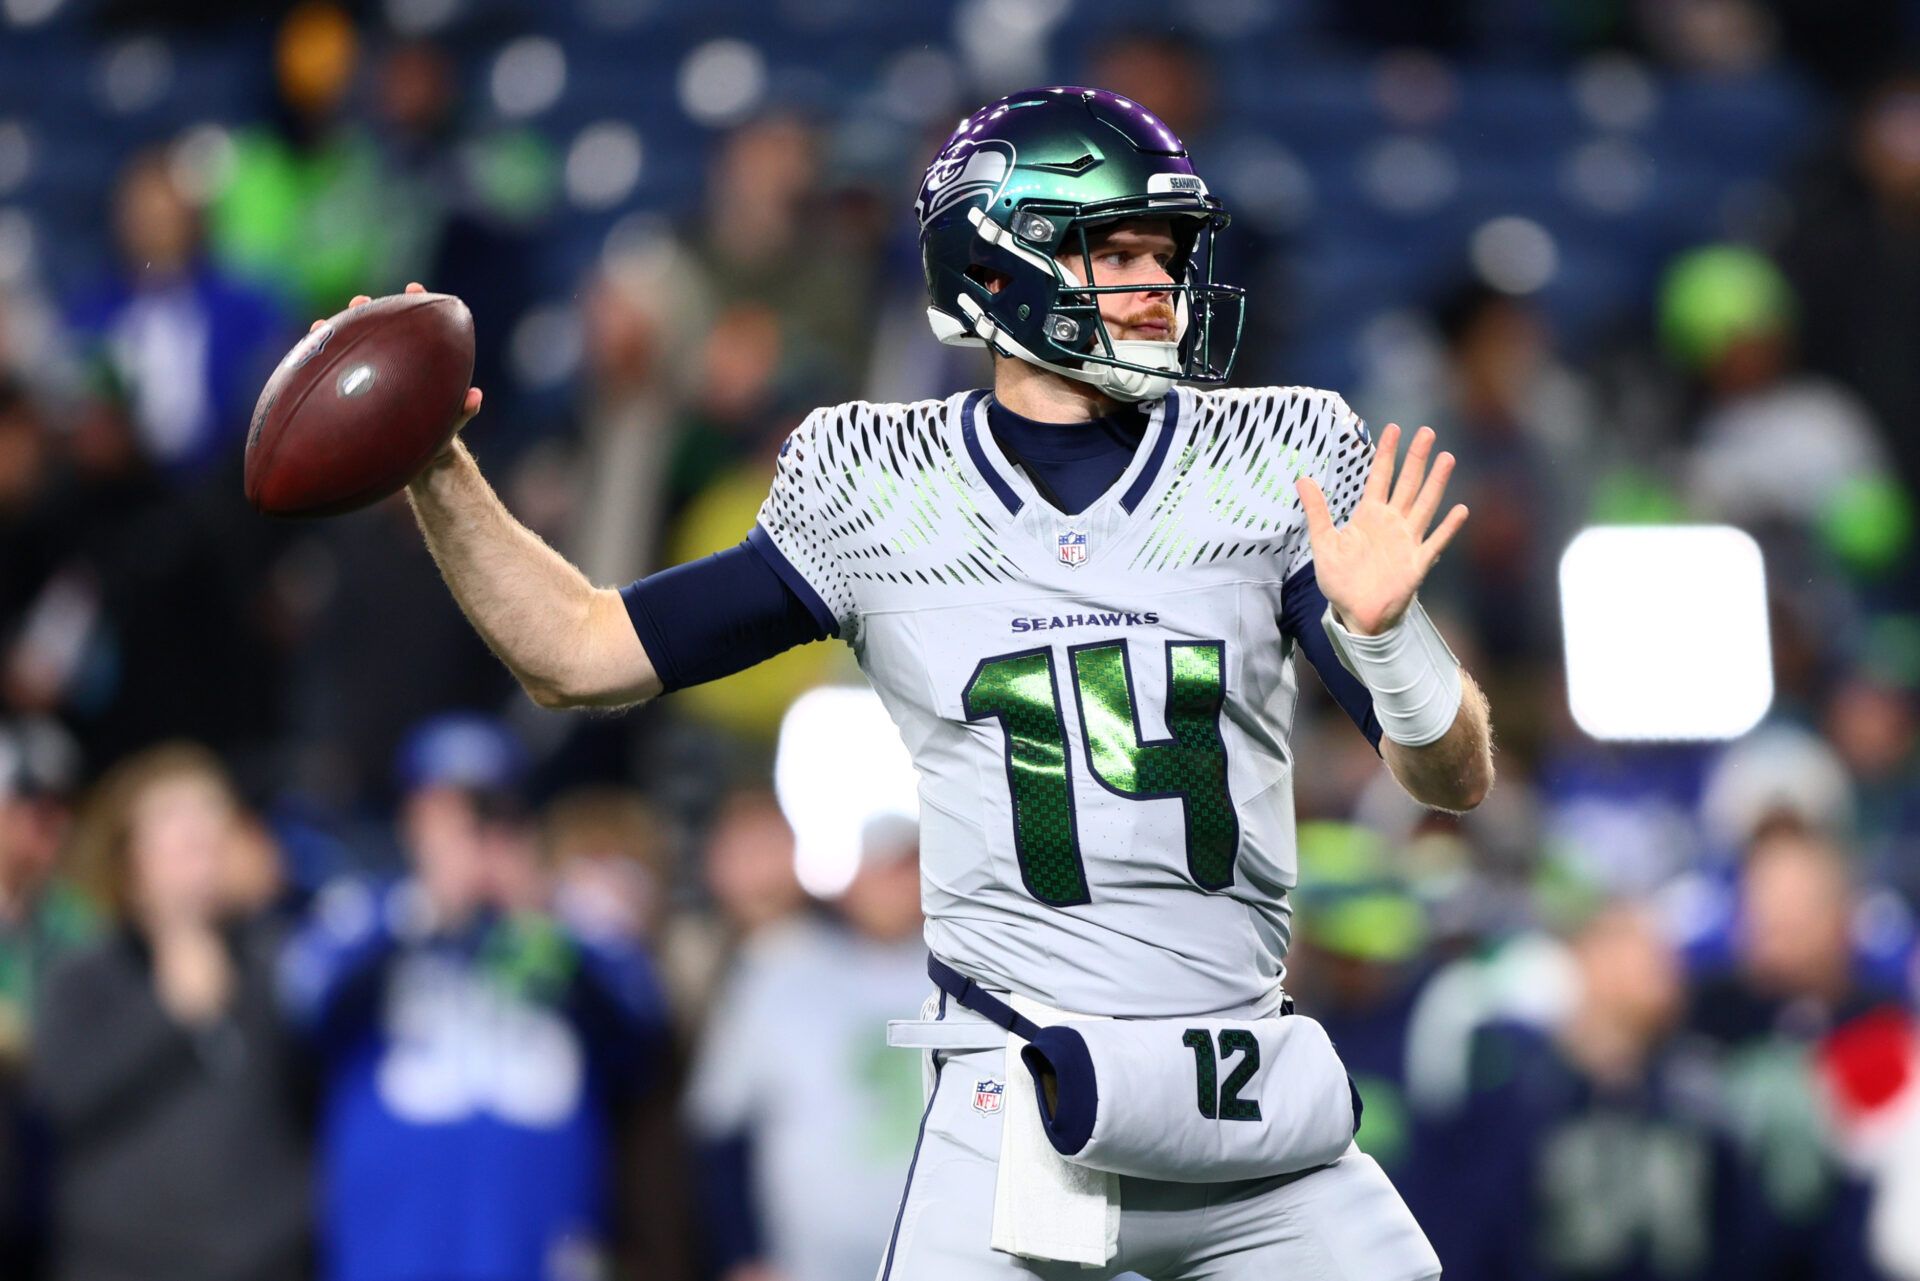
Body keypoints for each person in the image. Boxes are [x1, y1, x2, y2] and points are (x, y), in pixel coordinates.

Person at [335, 87, 1494, 1279]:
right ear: (1001, 263)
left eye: (1168, 252)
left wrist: (1392, 636)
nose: (1160, 283)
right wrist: (437, 467)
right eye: (1119, 249)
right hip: (1024, 1110)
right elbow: (578, 651)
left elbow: (1450, 778)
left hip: (1249, 1106)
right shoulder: (878, 484)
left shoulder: (1276, 455)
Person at [278, 714, 669, 1281]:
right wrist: (425, 908)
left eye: (491, 814)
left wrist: (540, 917)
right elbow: (302, 1003)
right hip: (395, 1248)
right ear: (411, 820)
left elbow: (643, 1028)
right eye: (450, 816)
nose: (474, 835)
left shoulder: (561, 924)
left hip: (537, 1242)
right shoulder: (369, 914)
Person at [30, 743, 310, 1281]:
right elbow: (61, 1104)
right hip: (122, 1262)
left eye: (213, 831)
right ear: (130, 857)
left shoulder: (274, 961)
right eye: (180, 836)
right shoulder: (86, 974)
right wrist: (168, 1015)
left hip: (263, 1261)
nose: (201, 849)